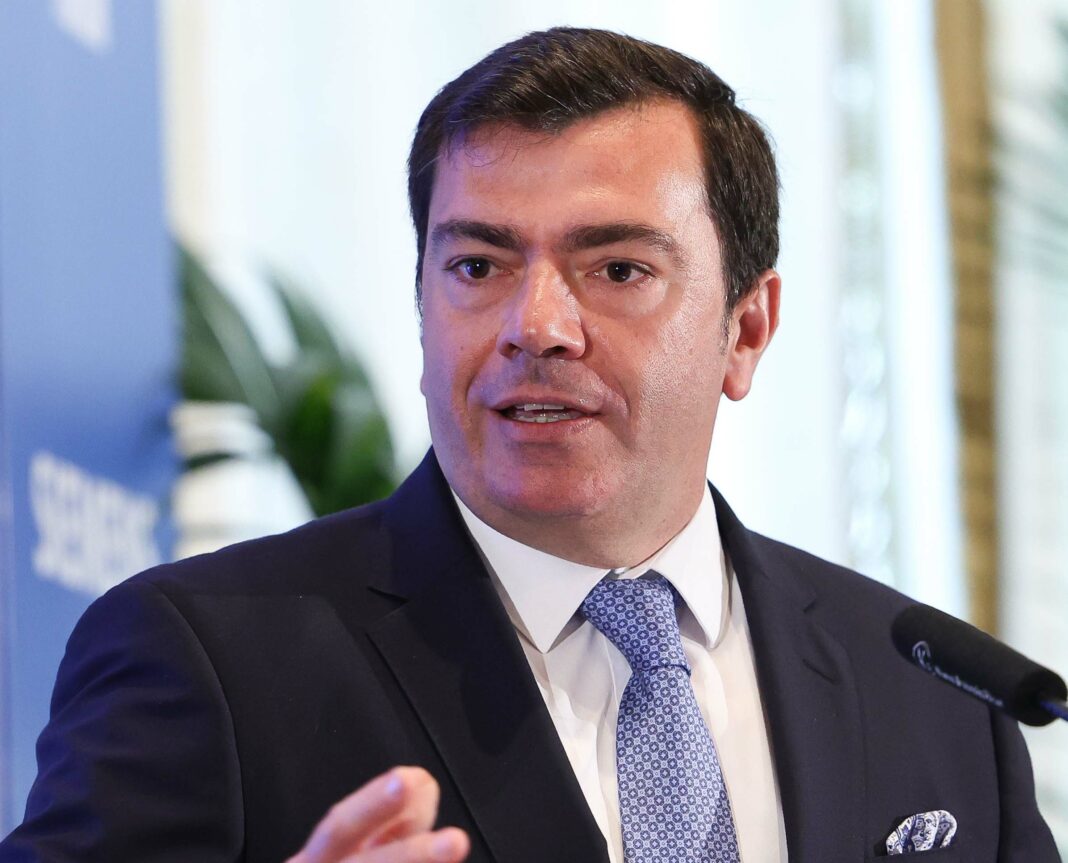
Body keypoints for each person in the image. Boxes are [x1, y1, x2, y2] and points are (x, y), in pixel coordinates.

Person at [0, 26, 1058, 863]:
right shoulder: (212, 659)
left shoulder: (932, 697)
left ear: (746, 329)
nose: (536, 324)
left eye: (617, 269)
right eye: (478, 266)